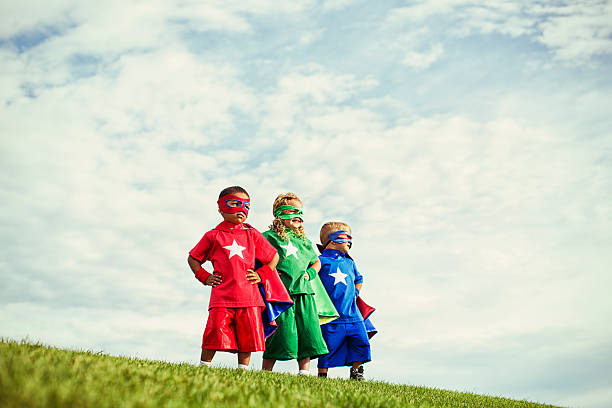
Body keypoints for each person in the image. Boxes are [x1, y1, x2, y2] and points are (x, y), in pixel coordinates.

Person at [187, 186, 289, 369]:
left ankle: (243, 369)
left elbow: (273, 257)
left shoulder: (253, 234)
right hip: (222, 296)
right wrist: (204, 276)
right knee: (214, 331)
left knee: (247, 334)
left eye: (246, 206)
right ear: (220, 208)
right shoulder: (213, 235)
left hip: (249, 297)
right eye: (234, 204)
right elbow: (193, 258)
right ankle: (204, 366)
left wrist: (262, 275)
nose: (241, 209)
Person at [261, 193, 331, 375]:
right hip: (279, 294)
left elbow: (317, 262)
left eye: (300, 212)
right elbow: (257, 256)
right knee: (280, 331)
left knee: (307, 330)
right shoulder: (269, 237)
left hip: (304, 292)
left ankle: (304, 372)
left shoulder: (305, 242)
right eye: (292, 211)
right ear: (279, 213)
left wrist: (310, 273)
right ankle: (266, 371)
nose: (298, 215)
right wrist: (267, 271)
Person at [317, 221, 371, 380]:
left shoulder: (349, 262)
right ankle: (322, 376)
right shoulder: (320, 261)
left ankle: (356, 373)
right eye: (345, 237)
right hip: (331, 316)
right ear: (333, 240)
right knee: (327, 347)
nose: (349, 241)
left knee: (361, 342)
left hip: (353, 315)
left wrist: (356, 291)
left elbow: (359, 279)